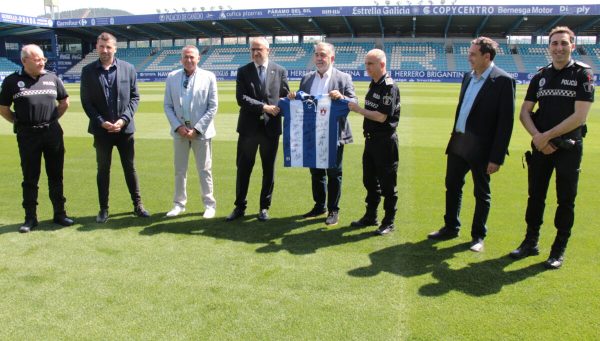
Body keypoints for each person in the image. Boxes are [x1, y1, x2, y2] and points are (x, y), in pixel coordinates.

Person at [509, 26, 595, 269]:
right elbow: (525, 112)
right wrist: (538, 138)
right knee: (535, 196)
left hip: (568, 148)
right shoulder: (540, 76)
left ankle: (558, 250)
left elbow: (580, 116)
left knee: (565, 200)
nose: (559, 48)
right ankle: (530, 242)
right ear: (548, 47)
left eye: (563, 43)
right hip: (541, 147)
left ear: (572, 46)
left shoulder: (582, 75)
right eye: (554, 44)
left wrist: (546, 136)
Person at [427, 37, 515, 253]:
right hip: (459, 141)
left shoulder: (503, 80)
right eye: (470, 53)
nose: (469, 57)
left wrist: (497, 157)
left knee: (481, 193)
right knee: (452, 186)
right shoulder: (467, 76)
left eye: (473, 54)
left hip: (482, 148)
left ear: (487, 56)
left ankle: (478, 236)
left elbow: (506, 123)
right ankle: (450, 227)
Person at [0, 44, 74, 233]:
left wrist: (52, 120)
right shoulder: (12, 81)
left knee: (56, 175)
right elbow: (3, 109)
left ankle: (60, 213)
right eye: (38, 59)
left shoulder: (52, 78)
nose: (42, 62)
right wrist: (20, 122)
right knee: (30, 177)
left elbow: (65, 102)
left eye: (43, 59)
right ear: (25, 61)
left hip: (52, 133)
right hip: (28, 135)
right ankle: (30, 218)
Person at [80, 32, 150, 223]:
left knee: (130, 168)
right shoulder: (87, 71)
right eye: (101, 47)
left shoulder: (128, 68)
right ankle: (103, 209)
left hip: (124, 130)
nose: (105, 50)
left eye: (108, 47)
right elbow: (86, 102)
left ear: (115, 48)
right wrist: (101, 121)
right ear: (96, 47)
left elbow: (135, 97)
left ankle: (138, 205)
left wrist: (124, 120)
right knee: (103, 170)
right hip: (101, 131)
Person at [287, 42, 355, 226]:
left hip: (334, 135)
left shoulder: (343, 78)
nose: (318, 58)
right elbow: (302, 102)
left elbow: (353, 101)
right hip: (312, 134)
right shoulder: (307, 78)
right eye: (316, 54)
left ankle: (333, 209)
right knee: (316, 172)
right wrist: (294, 98)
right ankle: (319, 206)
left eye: (322, 55)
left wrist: (342, 98)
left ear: (331, 57)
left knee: (334, 173)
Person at [226, 37, 289, 222]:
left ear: (268, 50)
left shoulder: (280, 71)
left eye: (259, 49)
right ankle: (239, 206)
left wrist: (291, 100)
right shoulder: (243, 71)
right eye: (252, 49)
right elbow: (241, 98)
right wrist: (264, 107)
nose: (255, 52)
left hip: (270, 129)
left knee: (268, 170)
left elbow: (284, 97)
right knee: (243, 169)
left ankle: (264, 207)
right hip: (248, 130)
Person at [348, 49, 400, 236]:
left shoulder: (389, 87)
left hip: (385, 142)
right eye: (366, 63)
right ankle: (371, 216)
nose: (367, 67)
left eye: (370, 64)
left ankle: (389, 221)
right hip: (370, 142)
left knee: (388, 184)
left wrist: (358, 109)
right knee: (369, 181)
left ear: (382, 65)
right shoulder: (374, 83)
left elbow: (380, 117)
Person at [164, 45, 218, 219]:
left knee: (204, 170)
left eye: (192, 57)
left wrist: (197, 129)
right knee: (180, 170)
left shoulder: (209, 77)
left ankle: (209, 205)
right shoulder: (172, 77)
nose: (188, 60)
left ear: (198, 58)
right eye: (185, 57)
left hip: (201, 133)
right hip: (179, 132)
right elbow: (168, 105)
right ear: (181, 59)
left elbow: (212, 106)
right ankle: (179, 204)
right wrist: (178, 127)